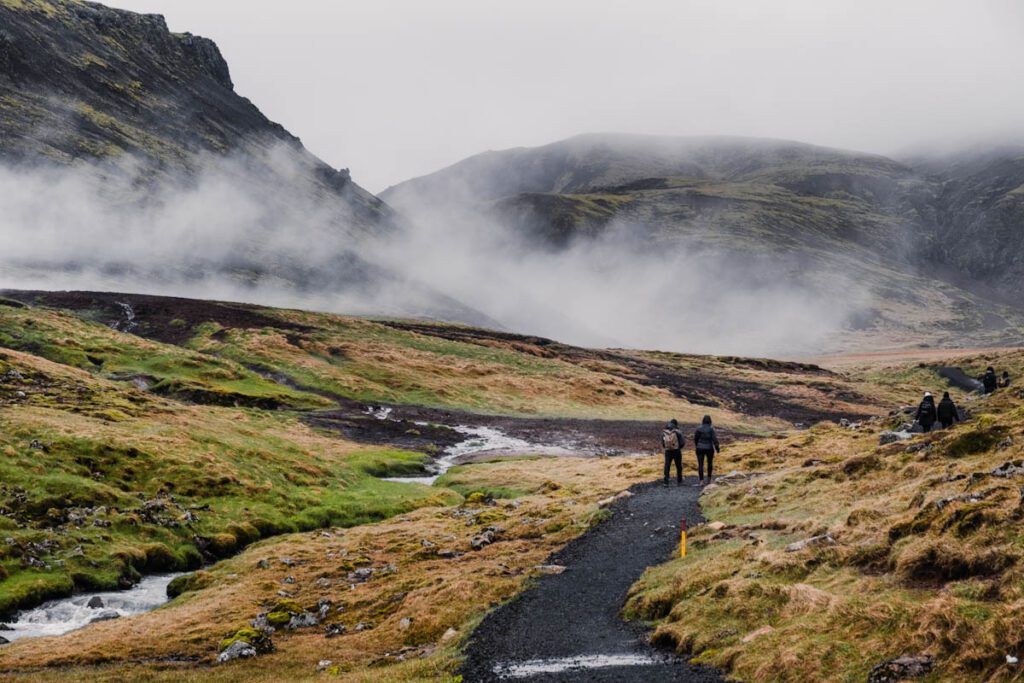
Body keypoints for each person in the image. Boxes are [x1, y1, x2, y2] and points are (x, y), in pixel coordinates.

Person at [693, 415, 721, 486]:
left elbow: (695, 438)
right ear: (710, 421)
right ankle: (709, 479)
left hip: (700, 448)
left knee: (700, 464)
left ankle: (701, 481)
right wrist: (717, 448)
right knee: (710, 463)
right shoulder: (711, 429)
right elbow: (715, 439)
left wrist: (697, 445)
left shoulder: (698, 429)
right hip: (709, 448)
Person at [661, 419, 686, 487]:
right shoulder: (677, 431)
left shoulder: (665, 431)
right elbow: (682, 442)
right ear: (676, 424)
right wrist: (678, 447)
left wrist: (666, 447)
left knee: (667, 465)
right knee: (678, 466)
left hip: (668, 451)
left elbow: (663, 443)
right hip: (676, 451)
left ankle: (666, 482)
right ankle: (679, 481)